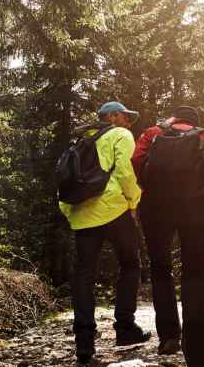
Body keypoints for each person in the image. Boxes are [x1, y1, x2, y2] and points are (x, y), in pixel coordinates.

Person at [132, 105, 204, 367]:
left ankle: (168, 337)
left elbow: (136, 161)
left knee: (160, 268)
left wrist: (148, 187)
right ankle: (198, 351)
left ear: (174, 118)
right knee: (195, 272)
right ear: (194, 120)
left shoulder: (153, 133)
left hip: (155, 206)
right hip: (196, 205)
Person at [59, 101, 152, 365]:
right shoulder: (120, 135)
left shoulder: (80, 141)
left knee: (84, 275)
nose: (129, 123)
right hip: (114, 209)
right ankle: (125, 329)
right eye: (126, 116)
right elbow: (125, 171)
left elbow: (64, 179)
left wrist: (71, 214)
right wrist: (133, 202)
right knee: (130, 264)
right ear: (113, 116)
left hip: (82, 216)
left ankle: (84, 344)